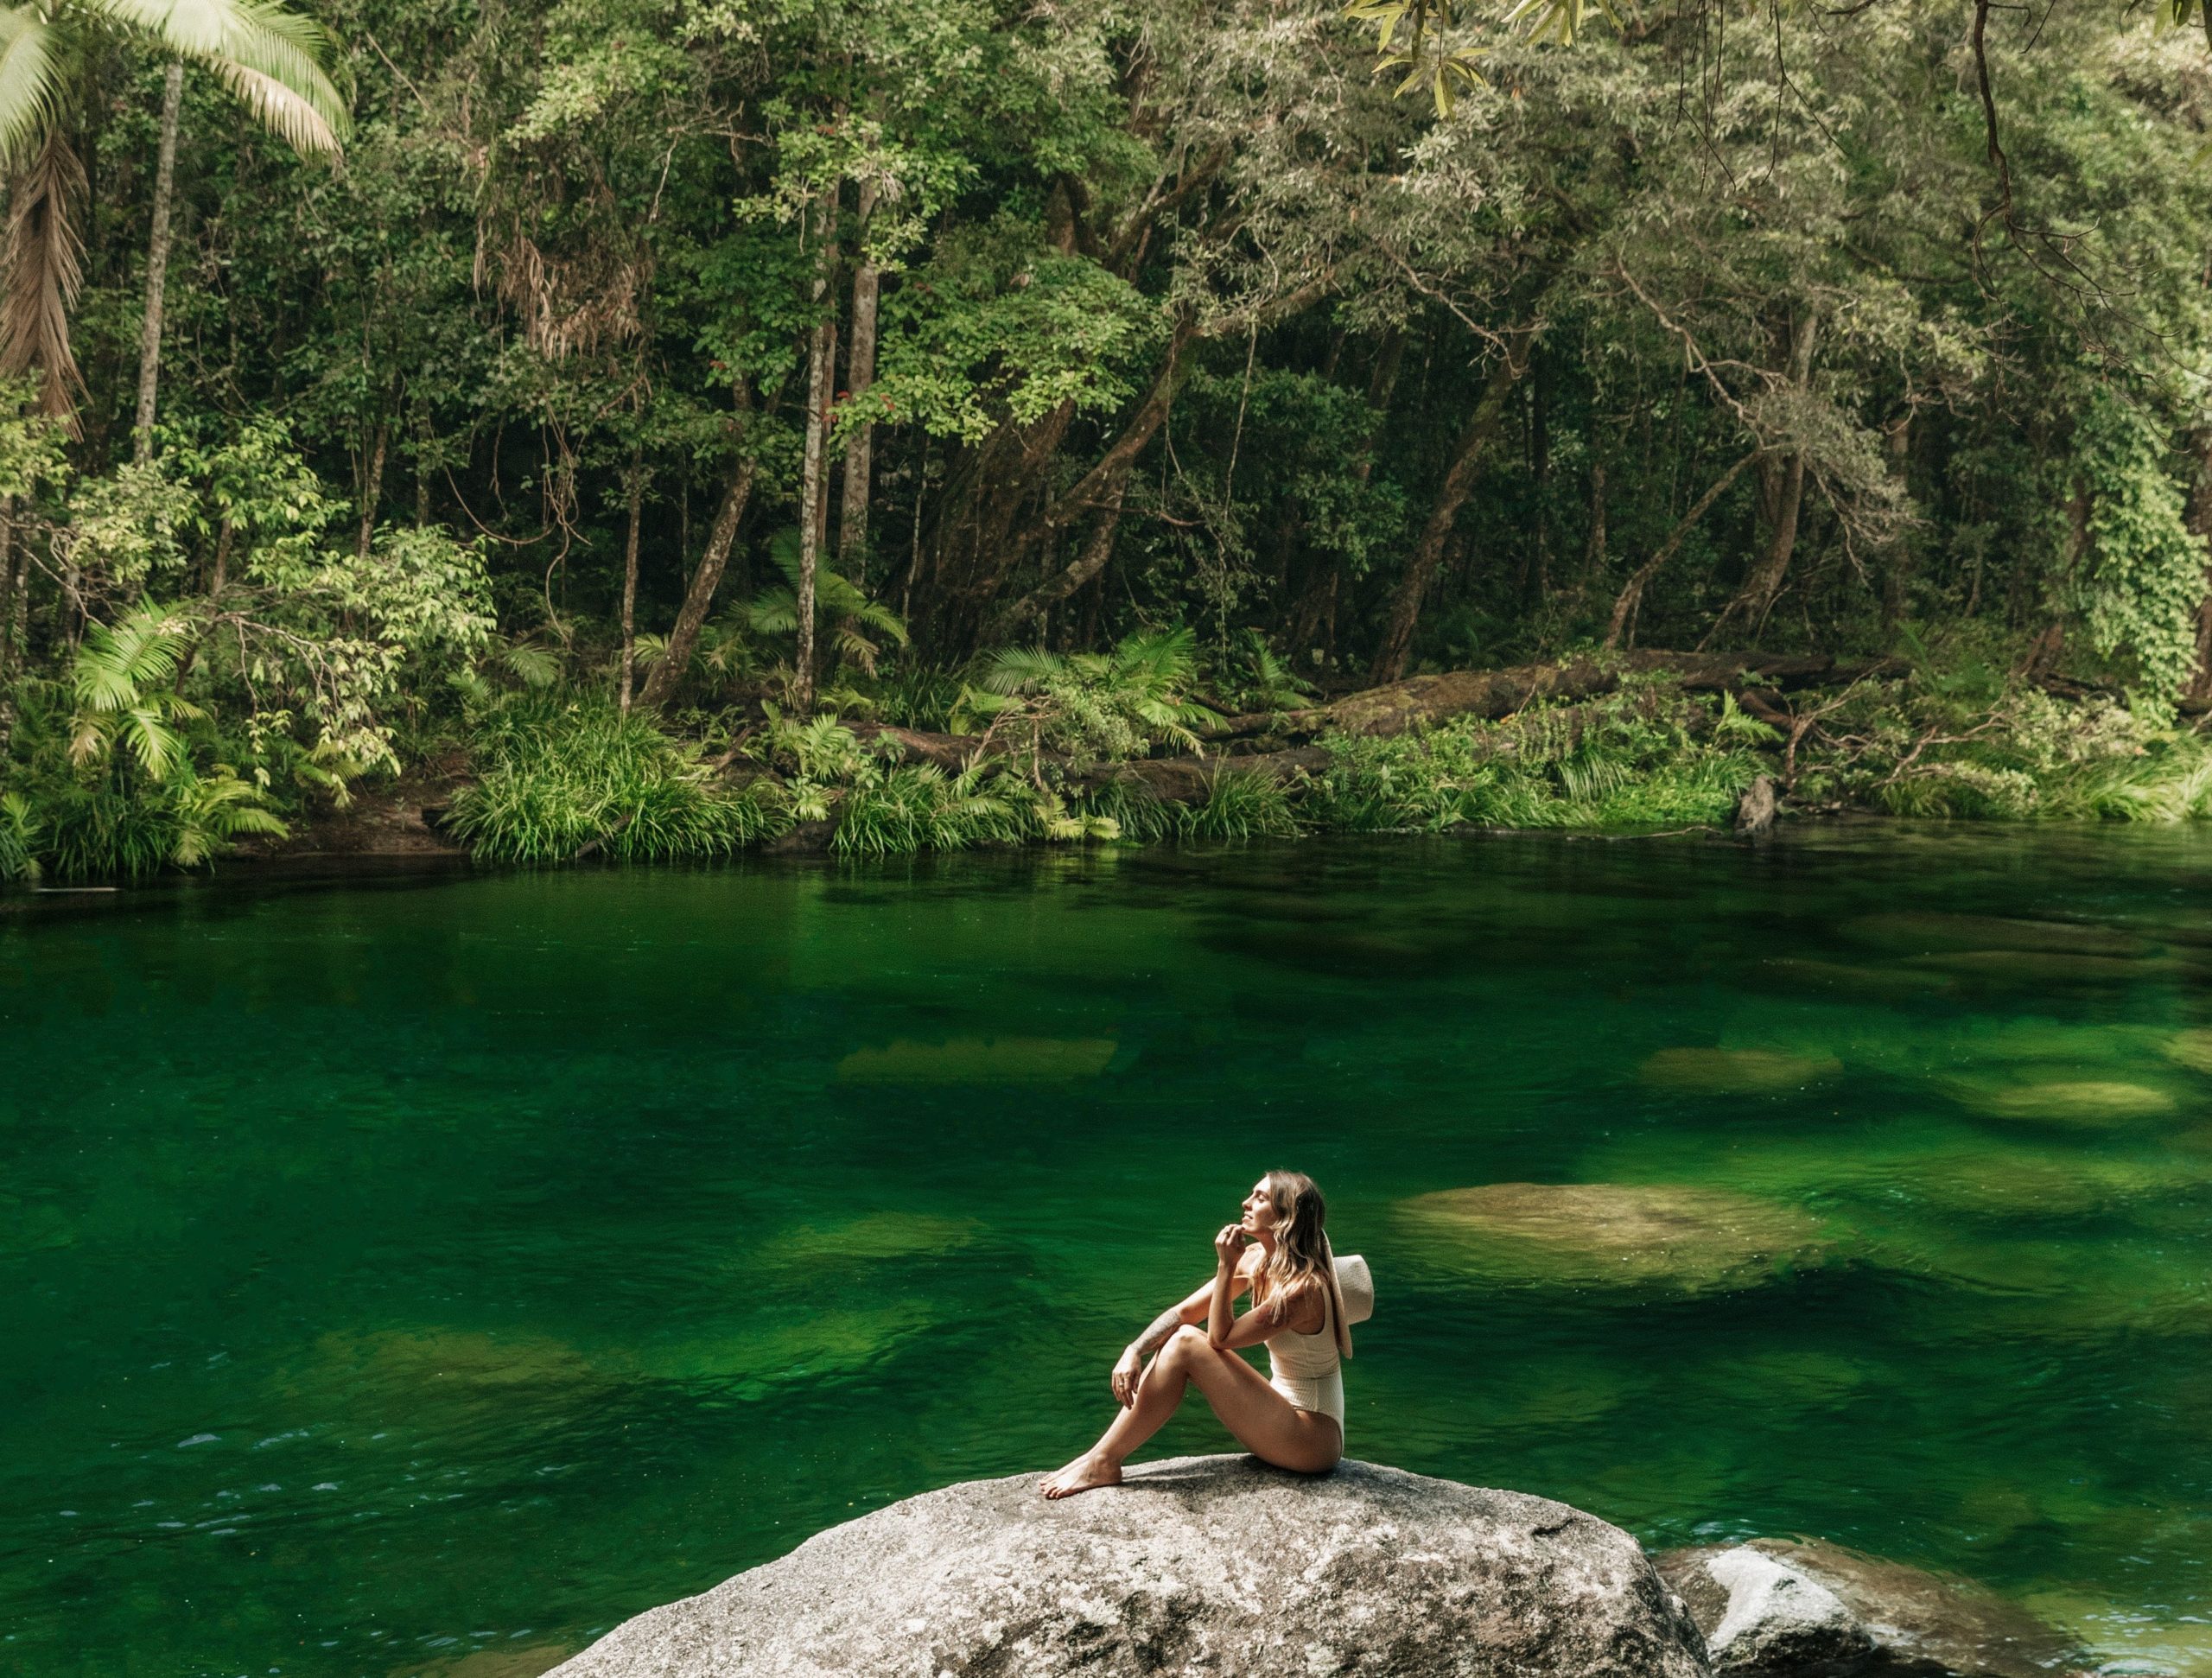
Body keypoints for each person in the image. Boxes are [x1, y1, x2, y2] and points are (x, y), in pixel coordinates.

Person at [1039, 1170, 1352, 1499]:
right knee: (1183, 1335)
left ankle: (1104, 1461)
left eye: (1260, 1198)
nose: (1246, 1203)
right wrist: (1135, 1349)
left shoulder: (1303, 1291)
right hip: (1281, 1415)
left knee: (1186, 1342)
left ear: (1285, 1216)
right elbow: (1185, 1312)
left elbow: (1220, 1338)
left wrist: (1226, 1267)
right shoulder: (1259, 1259)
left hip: (1312, 1438)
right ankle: (1099, 1455)